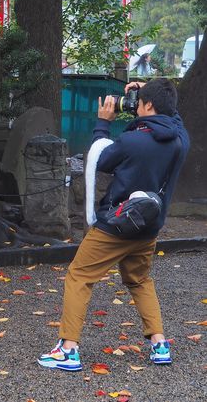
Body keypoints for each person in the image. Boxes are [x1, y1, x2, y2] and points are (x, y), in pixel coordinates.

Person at [37, 77, 189, 372]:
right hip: (150, 226)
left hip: (116, 226)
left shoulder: (132, 140)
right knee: (139, 280)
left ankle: (68, 349)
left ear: (146, 105)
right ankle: (159, 345)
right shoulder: (181, 140)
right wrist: (152, 95)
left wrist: (103, 123)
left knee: (79, 276)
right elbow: (173, 118)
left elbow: (100, 160)